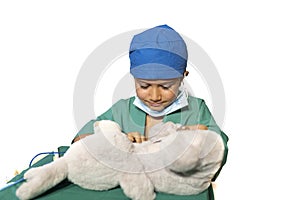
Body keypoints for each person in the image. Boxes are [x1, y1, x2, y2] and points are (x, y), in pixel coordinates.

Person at [72, 24, 229, 200]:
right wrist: (116, 139)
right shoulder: (123, 110)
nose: (155, 96)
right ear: (133, 78)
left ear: (183, 76)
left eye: (165, 86)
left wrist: (196, 139)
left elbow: (219, 148)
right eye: (144, 86)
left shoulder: (195, 109)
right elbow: (80, 141)